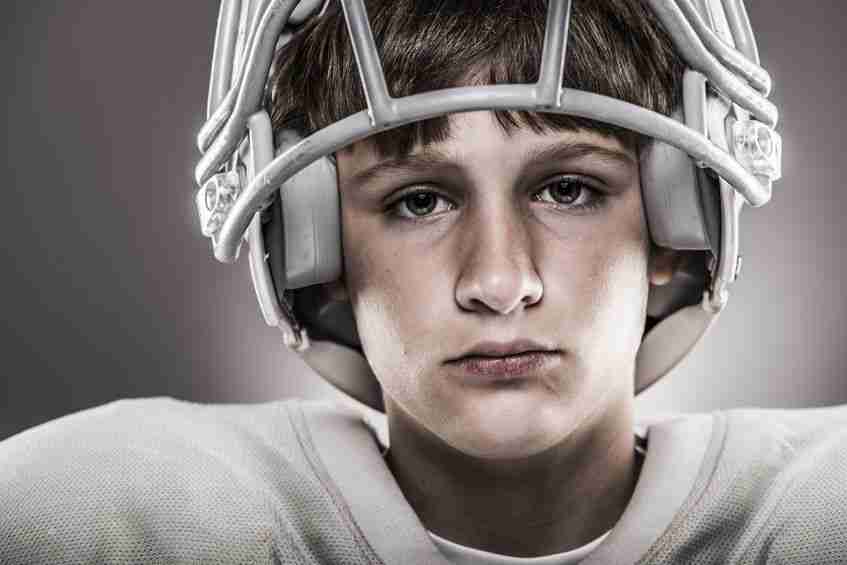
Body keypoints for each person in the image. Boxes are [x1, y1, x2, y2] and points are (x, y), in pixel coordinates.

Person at [1, 1, 843, 563]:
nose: (498, 280)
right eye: (418, 200)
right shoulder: (109, 514)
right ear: (314, 244)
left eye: (567, 189)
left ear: (672, 221)